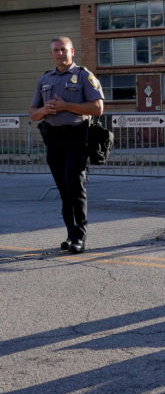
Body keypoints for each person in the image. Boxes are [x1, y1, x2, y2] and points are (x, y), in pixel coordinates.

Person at [29, 36, 104, 254]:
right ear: (52, 54)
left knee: (75, 185)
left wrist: (66, 106)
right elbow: (33, 112)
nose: (60, 53)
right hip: (53, 138)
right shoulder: (45, 79)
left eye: (64, 49)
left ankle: (79, 236)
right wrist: (45, 110)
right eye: (56, 50)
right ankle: (71, 233)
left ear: (72, 51)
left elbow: (98, 107)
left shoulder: (83, 76)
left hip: (76, 136)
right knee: (63, 189)